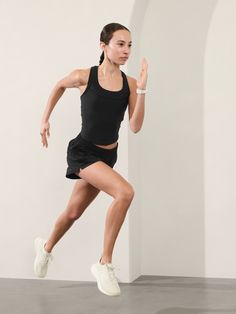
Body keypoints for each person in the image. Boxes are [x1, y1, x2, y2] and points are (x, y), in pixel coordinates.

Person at [34, 22, 148, 297]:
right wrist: (44, 120)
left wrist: (142, 90)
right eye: (120, 44)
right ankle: (104, 263)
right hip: (83, 152)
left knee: (73, 212)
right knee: (125, 192)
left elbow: (134, 126)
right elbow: (59, 86)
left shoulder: (130, 84)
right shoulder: (85, 76)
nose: (126, 50)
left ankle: (46, 247)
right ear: (103, 46)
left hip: (107, 156)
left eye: (129, 45)